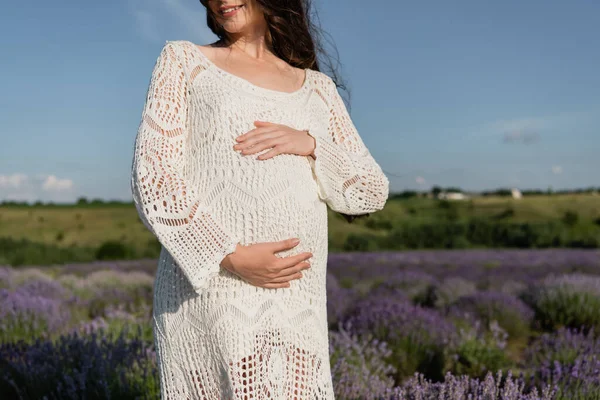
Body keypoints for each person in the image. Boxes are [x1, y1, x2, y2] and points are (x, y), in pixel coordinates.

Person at [130, 0, 389, 398]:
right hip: (213, 287)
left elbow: (370, 190)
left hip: (296, 295)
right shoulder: (184, 61)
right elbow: (154, 177)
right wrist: (229, 256)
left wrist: (311, 144)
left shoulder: (317, 89)